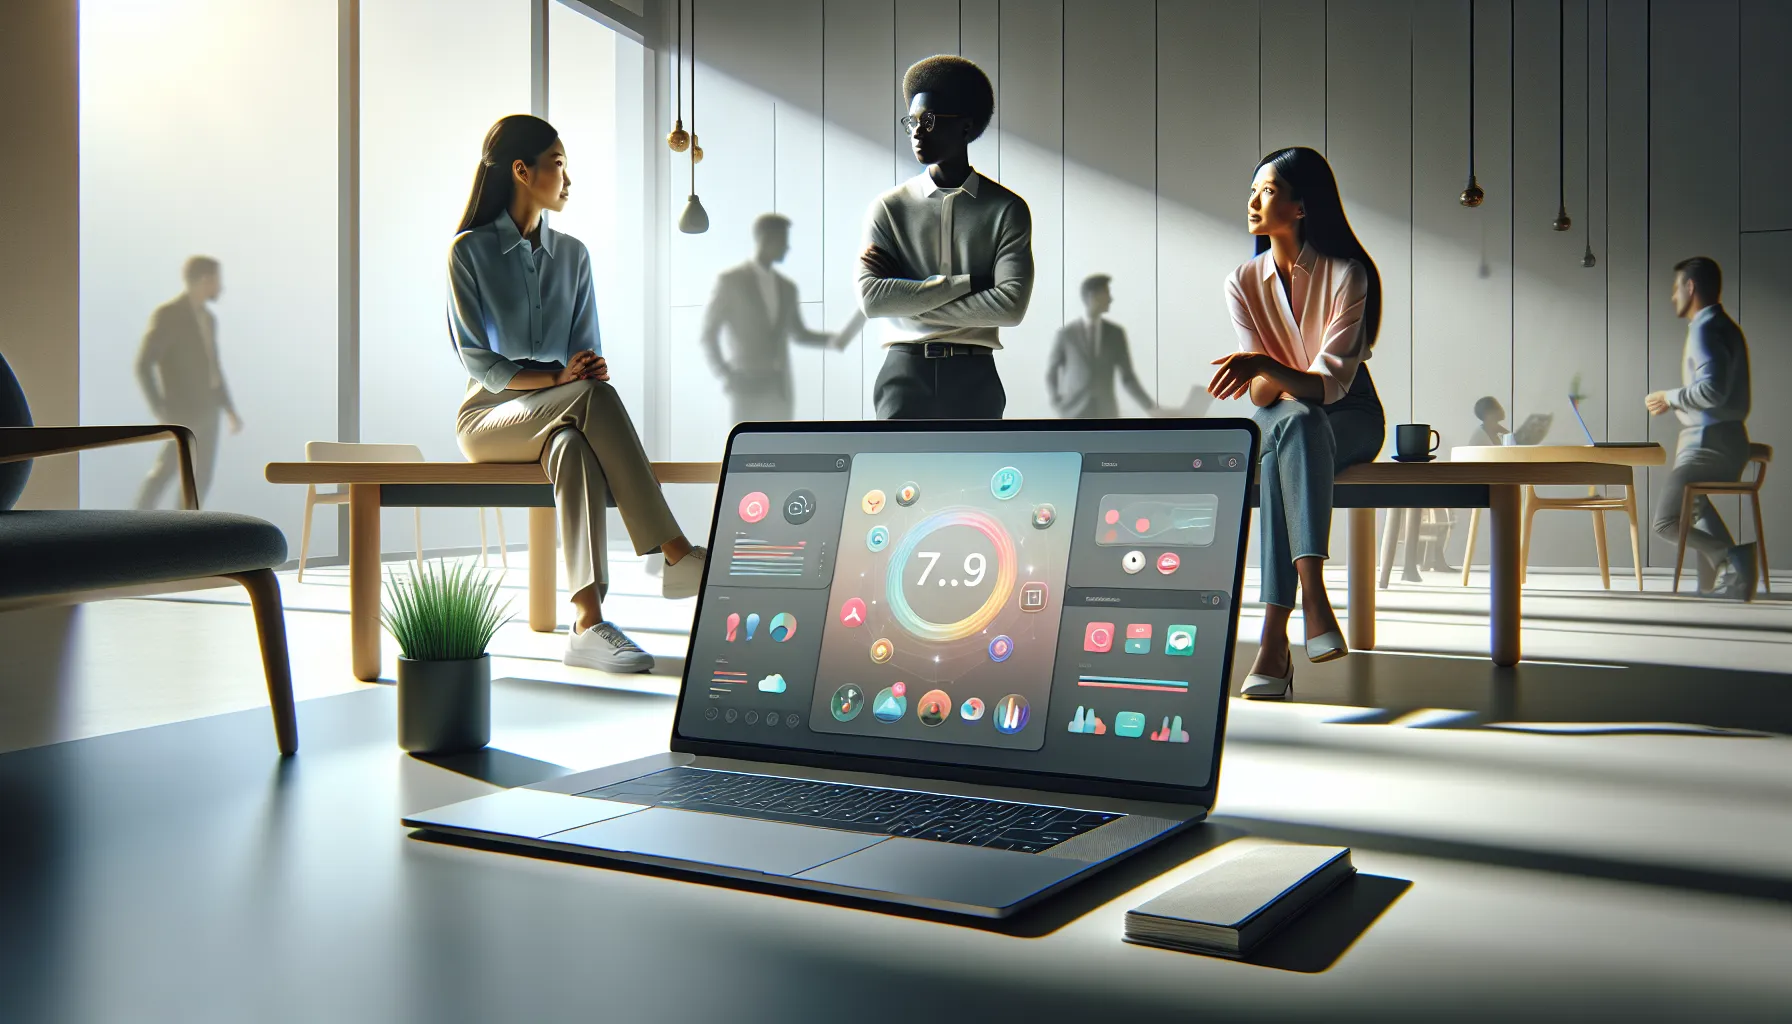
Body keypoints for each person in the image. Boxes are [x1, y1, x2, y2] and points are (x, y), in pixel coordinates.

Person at [448, 114, 707, 673]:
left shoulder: (574, 255)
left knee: (572, 446)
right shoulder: (468, 252)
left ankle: (586, 624)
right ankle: (675, 552)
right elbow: (478, 360)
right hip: (490, 420)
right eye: (559, 164)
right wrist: (557, 380)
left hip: (563, 412)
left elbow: (584, 356)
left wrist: (582, 371)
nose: (568, 179)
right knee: (585, 399)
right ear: (523, 171)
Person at [1207, 146, 1386, 698]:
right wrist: (1276, 377)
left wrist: (1266, 365)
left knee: (1292, 437)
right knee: (1297, 422)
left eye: (1267, 191)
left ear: (1302, 206)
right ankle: (1314, 599)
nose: (1252, 202)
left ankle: (1273, 640)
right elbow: (1263, 393)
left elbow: (1330, 382)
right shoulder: (1242, 281)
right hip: (1283, 418)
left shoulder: (1346, 275)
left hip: (1352, 414)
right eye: (1252, 191)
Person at [858, 55, 1033, 419]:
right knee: (897, 460)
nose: (917, 132)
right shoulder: (888, 207)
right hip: (903, 371)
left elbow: (1010, 307)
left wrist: (909, 295)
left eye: (930, 120)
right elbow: (873, 300)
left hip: (975, 375)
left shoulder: (1007, 209)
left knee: (978, 461)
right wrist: (972, 284)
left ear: (966, 128)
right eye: (912, 122)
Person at [1646, 256, 1756, 600]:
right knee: (1696, 505)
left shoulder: (1705, 329)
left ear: (1690, 287)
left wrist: (1668, 396)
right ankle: (1724, 576)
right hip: (1727, 442)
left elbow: (1712, 390)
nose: (1672, 296)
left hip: (1710, 446)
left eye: (1675, 288)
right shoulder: (1725, 326)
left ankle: (1732, 559)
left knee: (1665, 521)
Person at [699, 213, 862, 423]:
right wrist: (725, 374)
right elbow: (708, 334)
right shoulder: (731, 282)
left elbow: (799, 334)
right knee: (746, 445)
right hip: (744, 389)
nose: (787, 247)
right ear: (766, 239)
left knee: (780, 445)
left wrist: (835, 340)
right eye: (784, 241)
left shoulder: (788, 288)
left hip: (778, 391)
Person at [134, 257, 241, 509]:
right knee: (166, 471)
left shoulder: (209, 320)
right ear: (205, 279)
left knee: (200, 479)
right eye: (217, 280)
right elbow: (144, 364)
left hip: (209, 410)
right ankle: (134, 522)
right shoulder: (169, 315)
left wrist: (229, 409)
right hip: (182, 412)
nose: (220, 287)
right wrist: (160, 409)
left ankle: (184, 528)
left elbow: (213, 368)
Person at [1046, 274, 1158, 418]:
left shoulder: (1116, 334)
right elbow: (1051, 372)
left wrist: (1150, 408)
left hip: (1106, 413)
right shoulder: (1066, 335)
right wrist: (1056, 402)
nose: (1110, 299)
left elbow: (1128, 378)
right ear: (1092, 296)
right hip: (1072, 414)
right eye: (1106, 293)